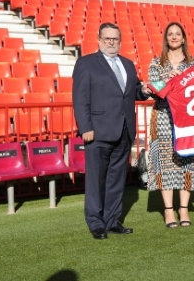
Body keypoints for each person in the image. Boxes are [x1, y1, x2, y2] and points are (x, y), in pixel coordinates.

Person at [72, 22, 151, 240]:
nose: (111, 42)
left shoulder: (127, 64)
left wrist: (142, 91)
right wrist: (85, 127)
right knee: (96, 180)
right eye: (107, 38)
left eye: (115, 39)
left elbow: (131, 92)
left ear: (120, 41)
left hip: (124, 132)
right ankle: (96, 223)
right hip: (97, 132)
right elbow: (80, 98)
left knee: (116, 180)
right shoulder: (86, 64)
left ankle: (112, 220)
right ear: (98, 40)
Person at [147, 22, 194, 228]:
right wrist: (167, 80)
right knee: (165, 162)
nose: (174, 37)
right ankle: (169, 211)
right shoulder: (156, 62)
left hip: (187, 119)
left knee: (187, 161)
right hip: (162, 117)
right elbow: (152, 87)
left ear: (183, 38)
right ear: (166, 38)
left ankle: (184, 209)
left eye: (177, 34)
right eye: (170, 34)